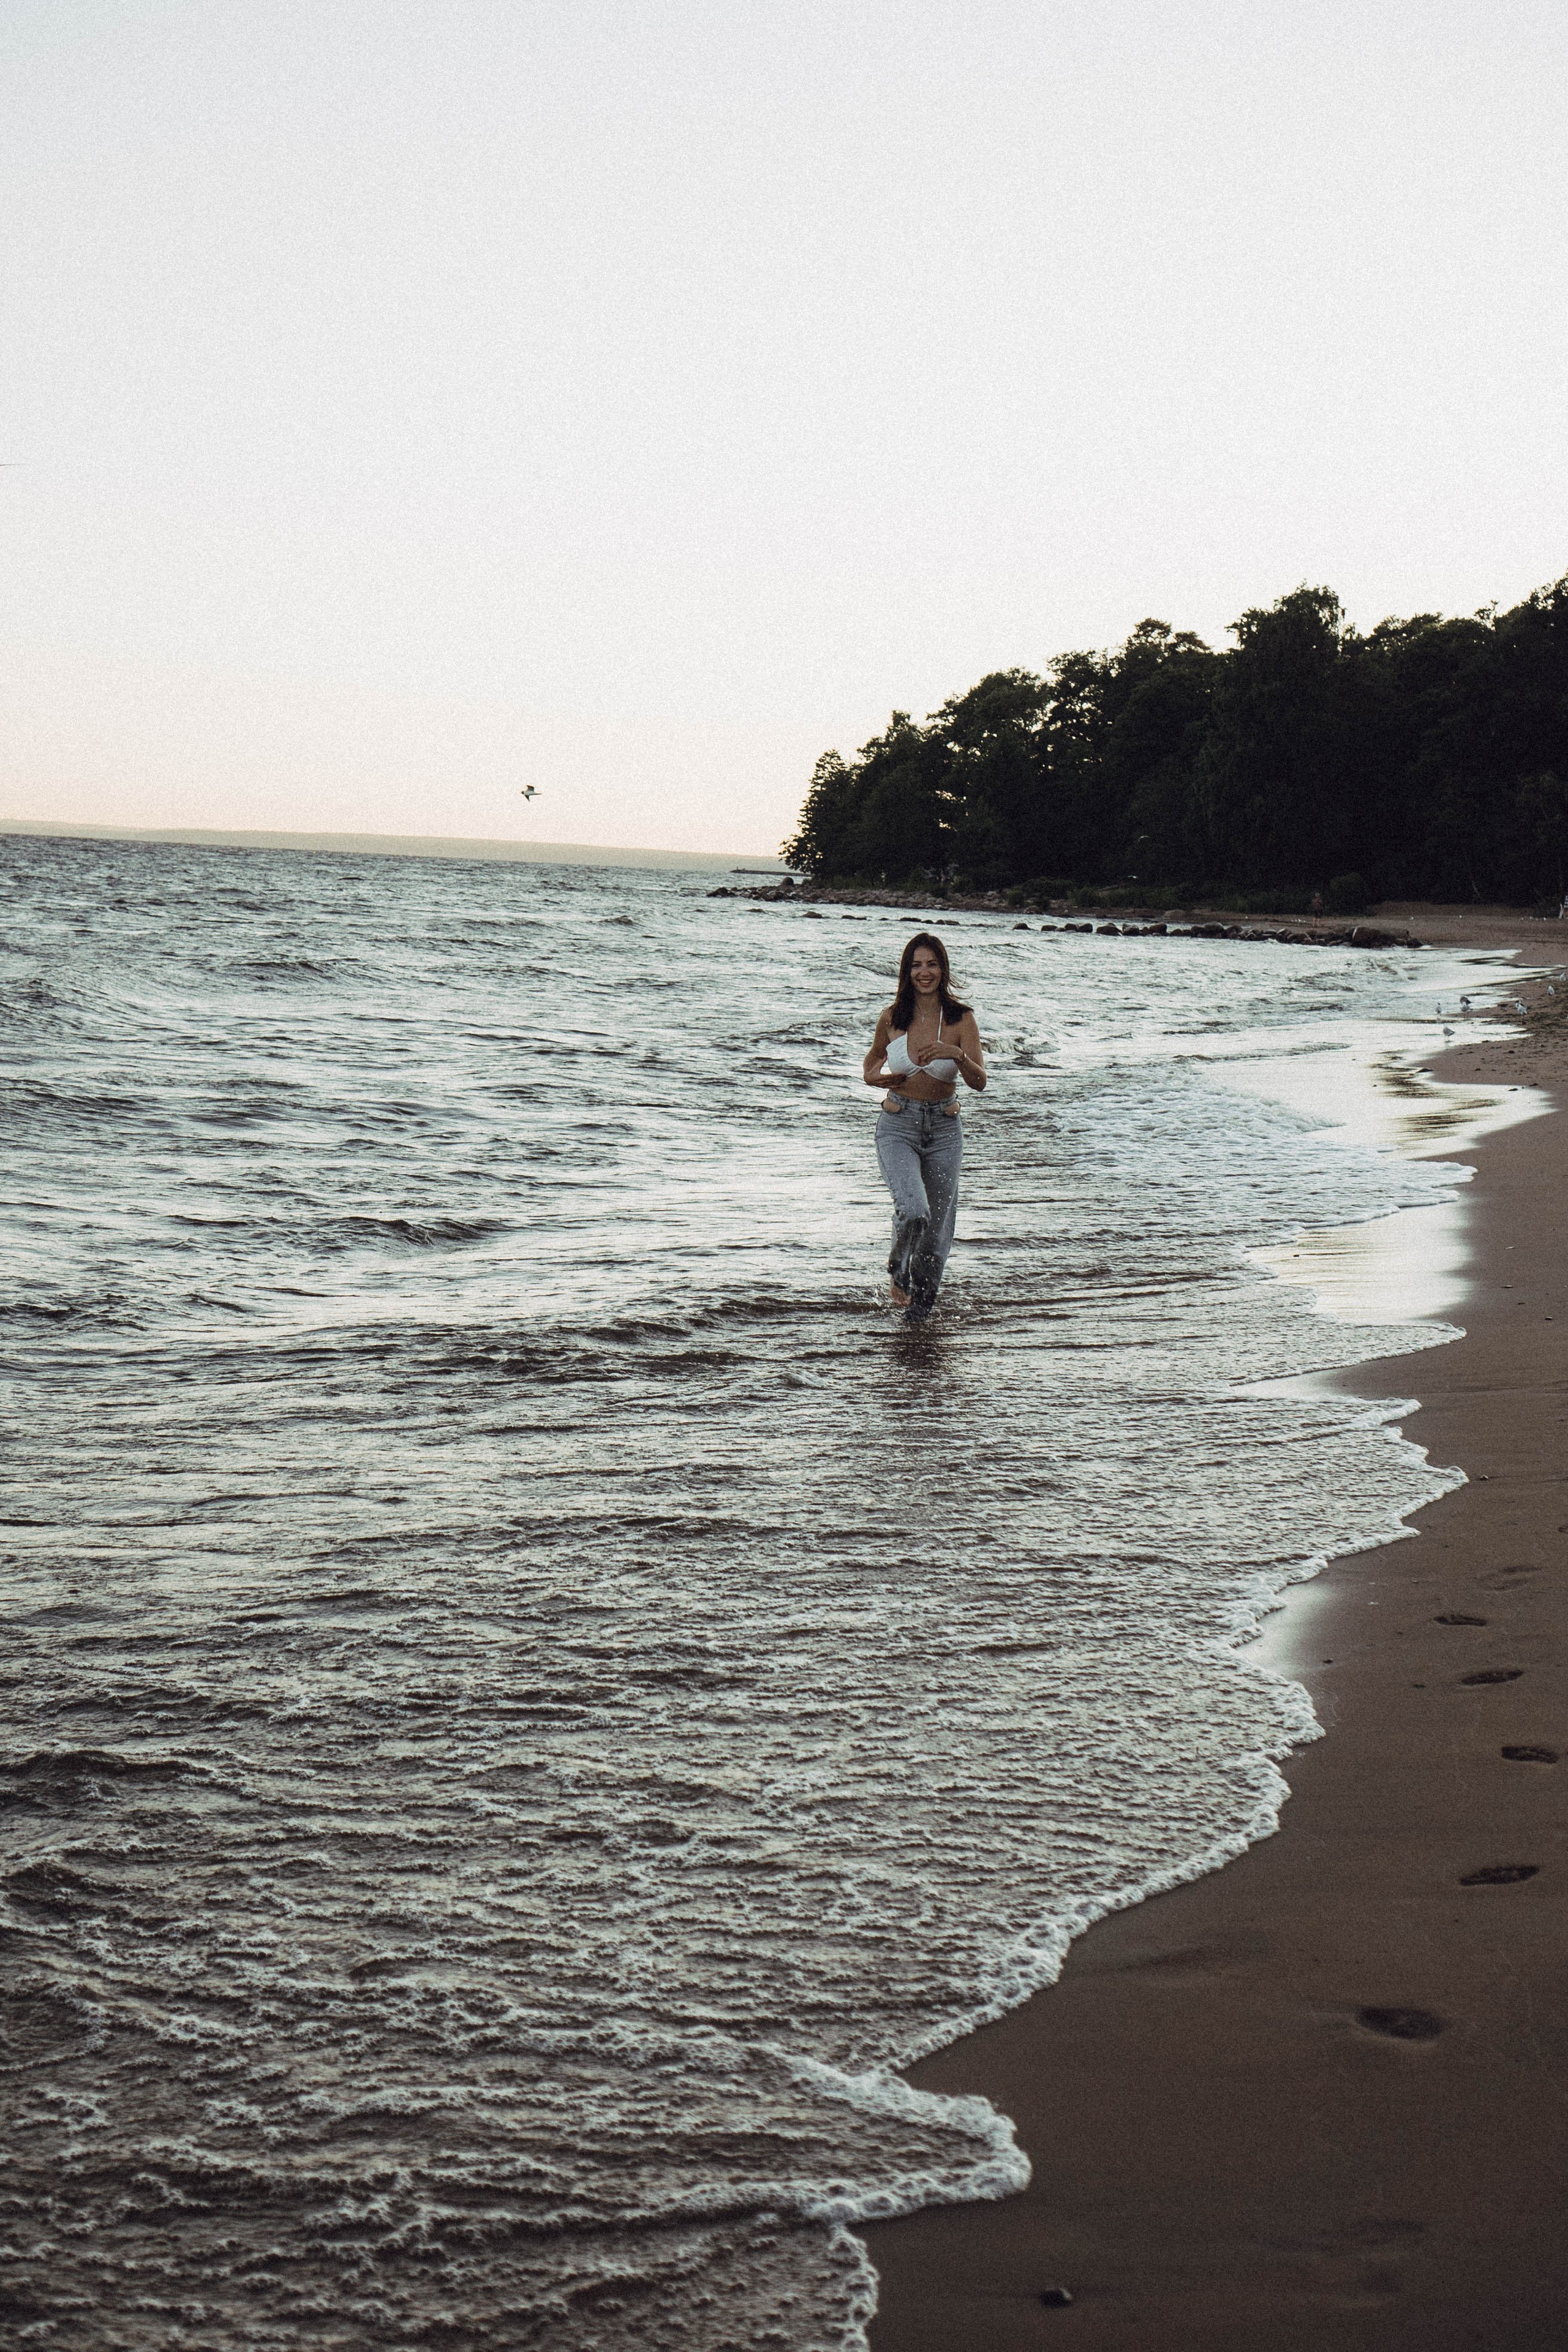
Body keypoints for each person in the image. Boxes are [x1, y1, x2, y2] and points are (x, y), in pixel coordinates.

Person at [862, 932, 987, 1324]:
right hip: (898, 1123)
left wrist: (957, 1054)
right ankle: (898, 1269)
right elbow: (870, 1064)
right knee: (915, 1209)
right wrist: (875, 1079)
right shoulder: (892, 1016)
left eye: (931, 964)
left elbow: (979, 1081)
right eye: (916, 965)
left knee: (935, 1235)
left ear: (943, 968)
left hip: (945, 1129)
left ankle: (919, 1319)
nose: (924, 972)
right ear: (907, 970)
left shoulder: (961, 1018)